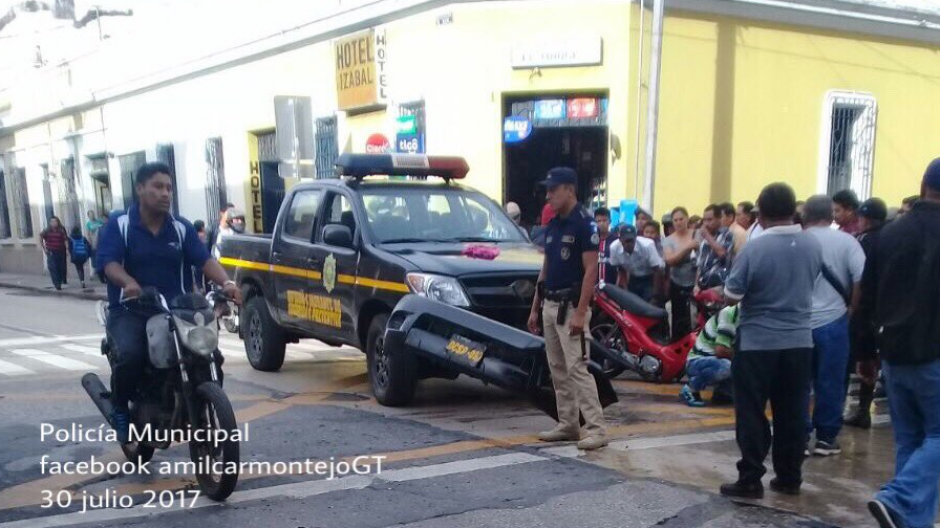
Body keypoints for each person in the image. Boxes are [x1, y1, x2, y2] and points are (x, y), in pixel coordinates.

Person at [96, 162, 241, 444]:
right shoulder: (120, 224)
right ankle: (120, 409)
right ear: (140, 189)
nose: (165, 193)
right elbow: (109, 263)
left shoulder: (180, 228)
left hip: (175, 309)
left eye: (169, 188)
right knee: (130, 355)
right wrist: (129, 283)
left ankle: (201, 405)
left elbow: (204, 260)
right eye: (158, 187)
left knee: (208, 356)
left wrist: (227, 284)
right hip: (131, 309)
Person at [720, 182, 822, 499]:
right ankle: (789, 476)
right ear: (793, 211)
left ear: (761, 215)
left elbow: (732, 295)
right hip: (800, 342)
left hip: (758, 343)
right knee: (792, 411)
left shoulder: (756, 248)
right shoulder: (812, 245)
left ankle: (751, 477)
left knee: (751, 410)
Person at [862, 159, 940, 528]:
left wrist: (864, 352)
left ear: (923, 186)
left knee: (909, 441)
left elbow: (867, 296)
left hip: (893, 352)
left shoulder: (890, 233)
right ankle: (897, 498)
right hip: (934, 354)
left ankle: (910, 521)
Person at [527, 167, 607, 451]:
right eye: (547, 190)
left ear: (570, 189)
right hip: (550, 303)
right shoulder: (554, 224)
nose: (548, 196)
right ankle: (568, 423)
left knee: (577, 368)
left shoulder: (584, 225)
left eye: (553, 189)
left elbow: (590, 272)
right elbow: (546, 268)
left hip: (571, 306)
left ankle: (596, 428)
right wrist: (535, 308)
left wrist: (581, 312)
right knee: (557, 367)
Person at [802, 195, 865, 457]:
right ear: (830, 214)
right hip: (833, 321)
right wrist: (851, 307)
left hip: (799, 322)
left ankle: (799, 435)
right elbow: (861, 277)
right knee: (831, 381)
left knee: (799, 383)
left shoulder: (797, 240)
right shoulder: (847, 242)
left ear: (806, 214)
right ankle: (827, 438)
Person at [845, 197, 887, 430]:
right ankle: (863, 409)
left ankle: (861, 411)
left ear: (867, 219)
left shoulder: (864, 241)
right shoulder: (890, 238)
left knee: (861, 359)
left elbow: (859, 279)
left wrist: (854, 307)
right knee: (873, 360)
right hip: (885, 309)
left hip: (865, 308)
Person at [680, 305, 738, 407]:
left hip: (716, 360)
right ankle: (690, 388)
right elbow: (720, 350)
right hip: (698, 361)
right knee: (728, 366)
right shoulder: (730, 313)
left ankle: (723, 393)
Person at [663, 207, 698, 340]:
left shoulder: (697, 234)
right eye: (675, 220)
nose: (678, 222)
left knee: (695, 318)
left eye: (681, 219)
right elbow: (670, 260)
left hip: (696, 283)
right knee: (678, 317)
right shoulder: (669, 240)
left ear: (687, 219)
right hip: (677, 282)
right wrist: (688, 248)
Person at [610, 224, 665, 303]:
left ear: (636, 238)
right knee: (632, 304)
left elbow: (657, 270)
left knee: (649, 305)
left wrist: (655, 295)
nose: (629, 244)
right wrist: (626, 291)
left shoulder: (647, 245)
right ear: (620, 239)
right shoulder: (614, 248)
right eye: (626, 241)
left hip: (650, 278)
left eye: (631, 240)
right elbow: (621, 270)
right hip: (633, 278)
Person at [694, 205, 734, 294]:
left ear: (719, 219)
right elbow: (700, 264)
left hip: (718, 287)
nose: (706, 223)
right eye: (704, 220)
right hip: (703, 286)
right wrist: (696, 285)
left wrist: (707, 236)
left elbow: (722, 253)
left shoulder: (727, 234)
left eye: (709, 220)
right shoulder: (704, 239)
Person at [40, 216, 69, 290]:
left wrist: (67, 249)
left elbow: (65, 239)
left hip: (61, 250)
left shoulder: (61, 230)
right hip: (51, 251)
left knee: (61, 267)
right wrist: (44, 248)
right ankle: (57, 283)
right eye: (52, 222)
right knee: (53, 267)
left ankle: (61, 280)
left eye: (55, 221)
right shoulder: (47, 230)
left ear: (58, 222)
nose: (53, 223)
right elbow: (40, 237)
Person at [594, 207, 618, 285]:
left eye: (604, 220)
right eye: (598, 221)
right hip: (593, 287)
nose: (601, 223)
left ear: (609, 221)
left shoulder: (616, 241)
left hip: (612, 286)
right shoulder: (590, 240)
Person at [192, 220, 208, 293]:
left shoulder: (194, 235)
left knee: (198, 276)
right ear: (202, 227)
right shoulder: (203, 235)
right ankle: (205, 290)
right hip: (203, 258)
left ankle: (200, 289)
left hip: (196, 259)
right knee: (205, 275)